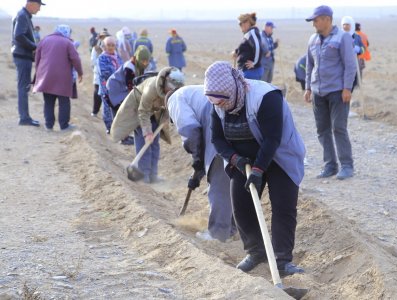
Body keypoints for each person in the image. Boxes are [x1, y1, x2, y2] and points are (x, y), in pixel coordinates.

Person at [204, 61, 306, 276]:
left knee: (283, 206)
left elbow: (272, 139)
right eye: (214, 101)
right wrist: (235, 159)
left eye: (221, 100)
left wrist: (259, 169)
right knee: (241, 205)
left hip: (279, 156)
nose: (218, 105)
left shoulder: (265, 97)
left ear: (230, 90)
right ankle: (256, 251)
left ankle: (282, 260)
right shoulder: (217, 104)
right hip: (243, 159)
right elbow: (217, 139)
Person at [166, 86, 236, 242]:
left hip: (218, 128)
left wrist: (198, 161)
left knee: (219, 184)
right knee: (234, 182)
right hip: (232, 122)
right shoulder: (191, 92)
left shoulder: (174, 100)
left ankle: (219, 233)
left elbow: (191, 132)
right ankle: (232, 228)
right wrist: (198, 173)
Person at [304, 5, 357, 180]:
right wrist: (308, 88)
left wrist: (347, 88)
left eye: (316, 20)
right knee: (322, 130)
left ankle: (347, 165)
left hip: (337, 91)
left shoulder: (342, 38)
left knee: (339, 128)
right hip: (318, 91)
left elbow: (350, 65)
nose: (314, 24)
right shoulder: (312, 39)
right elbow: (309, 65)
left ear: (327, 19)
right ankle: (330, 165)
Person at [110, 67, 185, 183]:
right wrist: (147, 132)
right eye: (170, 89)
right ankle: (143, 176)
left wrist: (166, 118)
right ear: (166, 82)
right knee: (144, 142)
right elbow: (143, 112)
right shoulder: (152, 88)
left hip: (155, 110)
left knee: (155, 144)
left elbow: (170, 105)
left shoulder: (175, 90)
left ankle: (153, 175)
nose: (171, 92)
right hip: (138, 109)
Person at [33, 24, 83, 131]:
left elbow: (37, 58)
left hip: (45, 77)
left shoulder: (44, 40)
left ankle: (48, 125)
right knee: (64, 102)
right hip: (63, 78)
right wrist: (80, 72)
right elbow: (75, 59)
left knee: (48, 102)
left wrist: (38, 73)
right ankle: (64, 125)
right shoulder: (68, 42)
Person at [107, 45, 151, 145]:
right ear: (137, 58)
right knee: (122, 113)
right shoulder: (129, 68)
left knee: (124, 112)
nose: (145, 63)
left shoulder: (137, 65)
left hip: (121, 90)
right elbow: (131, 87)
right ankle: (122, 138)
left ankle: (123, 136)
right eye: (143, 61)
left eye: (147, 61)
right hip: (115, 91)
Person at [11, 0, 46, 127]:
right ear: (31, 3)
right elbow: (18, 35)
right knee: (23, 87)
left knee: (24, 87)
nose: (39, 9)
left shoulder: (24, 15)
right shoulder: (22, 15)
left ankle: (25, 117)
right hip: (22, 56)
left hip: (23, 55)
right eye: (38, 6)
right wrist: (34, 47)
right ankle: (24, 118)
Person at [97, 36, 123, 134]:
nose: (111, 47)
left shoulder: (118, 56)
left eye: (113, 45)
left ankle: (117, 128)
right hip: (107, 89)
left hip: (118, 88)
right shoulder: (102, 58)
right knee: (107, 108)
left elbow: (122, 69)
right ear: (104, 46)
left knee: (118, 108)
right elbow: (104, 72)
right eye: (108, 45)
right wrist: (117, 74)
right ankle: (109, 127)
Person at [232, 12, 263, 80]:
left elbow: (258, 47)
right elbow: (247, 48)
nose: (240, 26)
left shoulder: (252, 33)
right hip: (246, 71)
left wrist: (255, 63)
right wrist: (237, 51)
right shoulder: (249, 34)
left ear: (247, 23)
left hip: (251, 72)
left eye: (240, 24)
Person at [90, 28, 110, 118]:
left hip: (109, 74)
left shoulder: (111, 48)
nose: (104, 39)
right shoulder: (96, 48)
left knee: (107, 94)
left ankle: (107, 114)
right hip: (98, 73)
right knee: (97, 93)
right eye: (103, 37)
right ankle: (95, 111)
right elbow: (93, 61)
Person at [341, 16, 365, 89]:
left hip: (354, 61)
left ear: (351, 25)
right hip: (342, 62)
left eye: (347, 24)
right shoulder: (339, 36)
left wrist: (359, 50)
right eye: (344, 25)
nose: (345, 27)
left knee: (354, 80)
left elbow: (363, 48)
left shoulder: (357, 36)